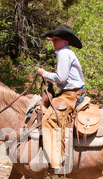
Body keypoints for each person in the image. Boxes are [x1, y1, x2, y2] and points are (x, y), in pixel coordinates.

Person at [37, 24, 85, 169]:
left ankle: (57, 160)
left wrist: (43, 73)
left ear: (65, 41)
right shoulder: (65, 53)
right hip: (69, 93)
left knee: (49, 119)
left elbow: (61, 78)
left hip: (71, 95)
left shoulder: (64, 53)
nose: (53, 42)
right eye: (53, 39)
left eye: (56, 39)